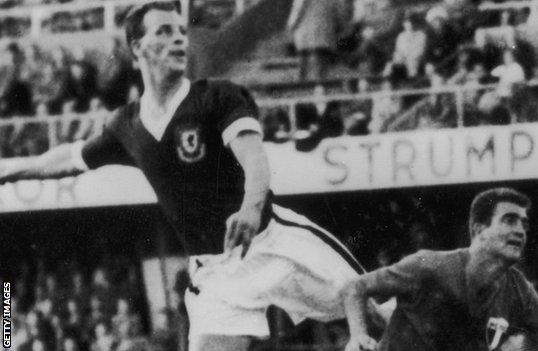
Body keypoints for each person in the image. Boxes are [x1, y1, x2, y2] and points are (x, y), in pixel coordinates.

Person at [0, 2, 365, 351]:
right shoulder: (126, 125)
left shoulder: (218, 97)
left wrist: (251, 209)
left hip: (275, 243)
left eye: (180, 31)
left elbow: (255, 160)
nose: (178, 38)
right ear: (137, 47)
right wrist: (9, 172)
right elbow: (67, 158)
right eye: (164, 31)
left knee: (383, 316)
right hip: (217, 275)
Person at [341, 187, 538, 351]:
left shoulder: (518, 290)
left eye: (524, 224)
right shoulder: (430, 266)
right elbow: (355, 286)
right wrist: (357, 336)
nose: (520, 230)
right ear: (478, 229)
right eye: (509, 220)